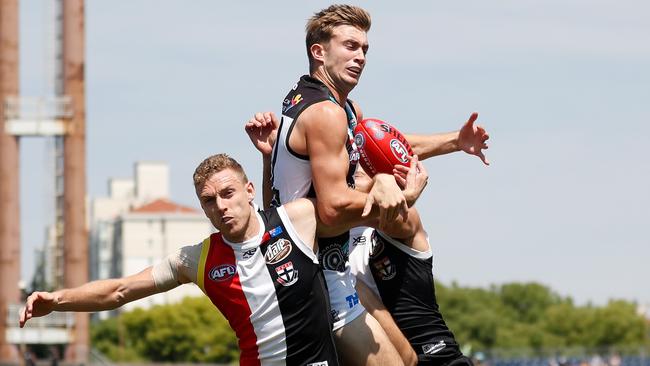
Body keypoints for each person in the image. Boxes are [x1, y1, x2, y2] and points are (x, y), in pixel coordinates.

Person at [245, 5, 488, 365]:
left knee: (407, 358)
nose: (359, 56)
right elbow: (332, 208)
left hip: (328, 262)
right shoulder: (325, 114)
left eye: (364, 49)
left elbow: (383, 144)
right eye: (349, 46)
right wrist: (400, 200)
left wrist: (456, 141)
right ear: (319, 51)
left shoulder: (335, 107)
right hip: (309, 272)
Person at [18, 154, 426, 366]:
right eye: (209, 201)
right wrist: (59, 300)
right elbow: (121, 289)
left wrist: (397, 188)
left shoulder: (297, 219)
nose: (221, 207)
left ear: (250, 190)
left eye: (228, 193)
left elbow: (362, 203)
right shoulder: (196, 259)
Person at [349, 167, 474, 366]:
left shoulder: (402, 220)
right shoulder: (324, 240)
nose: (354, 170)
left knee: (348, 285)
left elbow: (391, 213)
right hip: (377, 357)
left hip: (436, 358)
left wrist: (386, 181)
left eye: (362, 170)